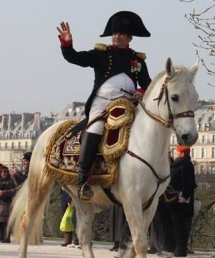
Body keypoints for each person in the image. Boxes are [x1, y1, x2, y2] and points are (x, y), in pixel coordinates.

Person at [57, 11, 152, 200]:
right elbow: (75, 57)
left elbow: (147, 84)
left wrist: (141, 92)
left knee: (151, 128)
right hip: (102, 103)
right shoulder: (101, 53)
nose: (116, 37)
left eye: (121, 34)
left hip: (128, 105)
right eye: (114, 33)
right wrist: (67, 44)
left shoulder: (138, 60)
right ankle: (83, 179)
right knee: (96, 127)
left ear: (129, 37)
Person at [167, 145, 197, 257]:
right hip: (175, 197)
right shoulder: (178, 164)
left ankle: (181, 248)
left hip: (181, 198)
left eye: (177, 152)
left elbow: (190, 183)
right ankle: (178, 247)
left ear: (182, 153)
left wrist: (185, 196)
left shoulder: (187, 165)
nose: (176, 154)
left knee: (180, 224)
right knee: (176, 223)